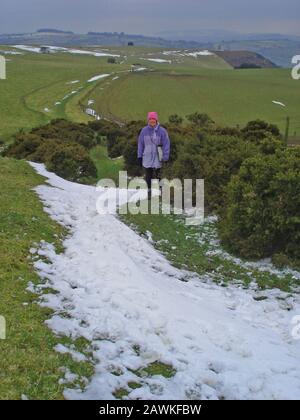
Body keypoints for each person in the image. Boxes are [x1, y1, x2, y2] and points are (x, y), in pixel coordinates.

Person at [137, 112, 170, 199]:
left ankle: (162, 192)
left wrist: (165, 156)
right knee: (148, 175)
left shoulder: (162, 131)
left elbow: (166, 144)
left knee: (159, 175)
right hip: (147, 157)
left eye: (153, 120)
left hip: (158, 157)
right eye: (150, 120)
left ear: (156, 120)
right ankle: (149, 192)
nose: (152, 122)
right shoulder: (144, 131)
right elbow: (140, 144)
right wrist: (139, 156)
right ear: (148, 120)